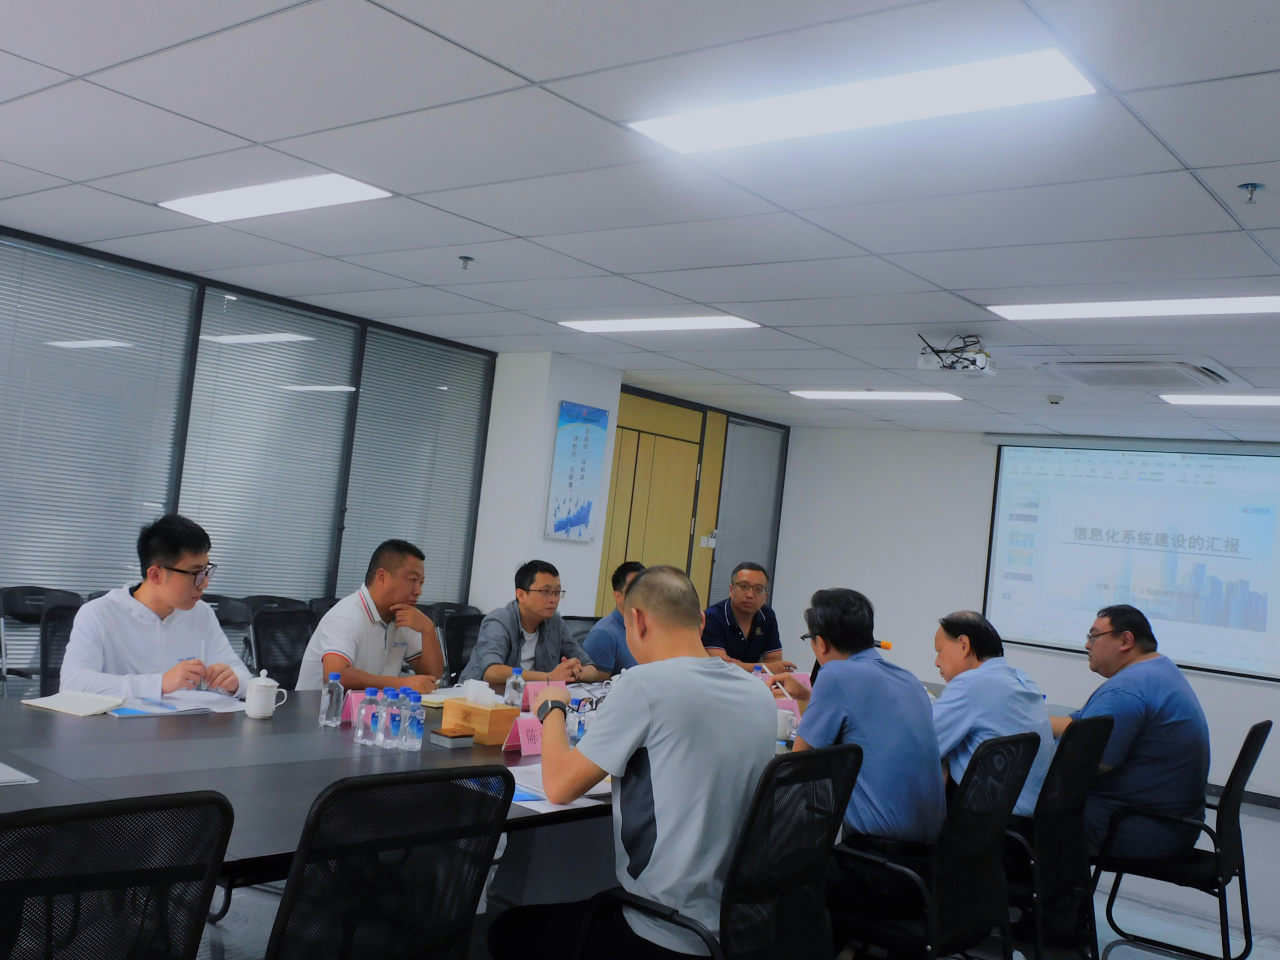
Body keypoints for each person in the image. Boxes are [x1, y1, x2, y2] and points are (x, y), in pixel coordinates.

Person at [487, 566, 777, 959]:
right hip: (736, 922)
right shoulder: (758, 693)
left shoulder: (644, 684)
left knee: (506, 930)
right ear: (701, 621)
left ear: (636, 620)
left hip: (663, 927)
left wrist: (552, 707)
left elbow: (558, 786)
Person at [771, 588, 945, 920]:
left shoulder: (836, 675)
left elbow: (796, 770)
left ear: (821, 643)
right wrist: (808, 697)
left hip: (878, 871)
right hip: (927, 870)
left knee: (775, 867)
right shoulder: (908, 680)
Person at [1051, 604, 1210, 859]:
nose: (1087, 645)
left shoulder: (1126, 690)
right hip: (1170, 822)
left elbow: (1085, 764)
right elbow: (1078, 724)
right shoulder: (1157, 670)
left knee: (1010, 811)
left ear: (1125, 640)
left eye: (1094, 637)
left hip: (1139, 827)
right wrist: (1032, 721)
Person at [61, 514, 251, 699]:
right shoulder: (99, 613)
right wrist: (159, 684)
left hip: (184, 720)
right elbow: (72, 683)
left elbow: (242, 677)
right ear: (156, 575)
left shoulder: (201, 613)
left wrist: (233, 683)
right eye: (195, 574)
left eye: (206, 572)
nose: (205, 584)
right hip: (116, 720)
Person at [932, 610, 1055, 816]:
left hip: (983, 815)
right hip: (1027, 813)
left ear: (964, 645)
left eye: (939, 651)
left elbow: (922, 746)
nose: (936, 662)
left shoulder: (971, 684)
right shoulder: (1023, 680)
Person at [295, 539, 443, 692]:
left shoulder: (404, 615)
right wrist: (401, 684)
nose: (418, 591)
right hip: (319, 706)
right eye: (412, 580)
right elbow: (336, 676)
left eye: (421, 583)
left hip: (371, 705)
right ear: (382, 577)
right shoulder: (346, 615)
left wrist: (428, 630)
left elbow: (432, 679)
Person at [461, 559, 602, 684]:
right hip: (480, 699)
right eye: (545, 592)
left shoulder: (555, 623)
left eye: (557, 592)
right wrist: (549, 678)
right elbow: (492, 672)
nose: (553, 599)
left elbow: (592, 669)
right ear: (521, 595)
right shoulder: (499, 621)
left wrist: (576, 673)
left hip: (532, 699)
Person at [701, 562, 796, 674]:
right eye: (743, 586)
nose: (750, 595)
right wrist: (766, 668)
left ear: (765, 596)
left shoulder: (767, 615)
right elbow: (721, 667)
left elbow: (775, 660)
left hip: (754, 682)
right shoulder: (713, 617)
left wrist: (739, 666)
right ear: (731, 590)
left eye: (758, 589)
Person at [582, 560, 645, 678]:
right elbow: (599, 686)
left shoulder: (653, 628)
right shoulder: (603, 634)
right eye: (636, 590)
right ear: (618, 596)